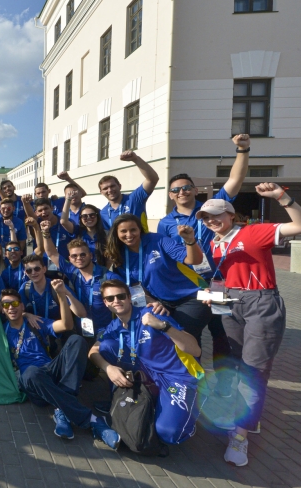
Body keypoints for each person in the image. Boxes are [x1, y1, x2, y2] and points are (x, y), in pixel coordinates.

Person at [197, 185, 301, 467]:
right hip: (229, 303)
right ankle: (247, 418)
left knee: (254, 369)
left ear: (231, 214)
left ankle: (240, 437)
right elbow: (222, 275)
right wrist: (213, 295)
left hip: (261, 302)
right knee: (236, 365)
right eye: (206, 217)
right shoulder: (214, 243)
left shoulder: (253, 231)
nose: (211, 221)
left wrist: (281, 198)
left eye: (216, 215)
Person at [157, 134, 251, 398]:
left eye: (186, 187)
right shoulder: (166, 223)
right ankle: (195, 379)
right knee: (191, 333)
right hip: (192, 288)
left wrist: (242, 150)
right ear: (170, 194)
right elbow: (167, 257)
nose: (181, 192)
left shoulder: (211, 208)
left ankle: (224, 384)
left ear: (195, 190)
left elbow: (235, 180)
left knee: (222, 334)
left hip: (220, 283)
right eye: (176, 189)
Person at [88, 280, 204, 446]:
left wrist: (163, 326)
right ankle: (121, 397)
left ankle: (188, 414)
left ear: (129, 297)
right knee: (106, 347)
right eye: (110, 298)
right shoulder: (113, 326)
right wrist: (109, 369)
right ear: (106, 303)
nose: (116, 301)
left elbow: (195, 350)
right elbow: (93, 352)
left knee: (169, 434)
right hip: (147, 375)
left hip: (176, 377)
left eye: (121, 296)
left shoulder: (153, 313)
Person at [0, 287, 120, 448]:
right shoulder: (1, 331)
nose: (11, 307)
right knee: (30, 373)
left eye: (14, 303)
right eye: (6, 305)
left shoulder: (35, 322)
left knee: (76, 340)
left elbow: (66, 325)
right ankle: (93, 420)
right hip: (32, 381)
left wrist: (62, 297)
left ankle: (62, 408)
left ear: (22, 306)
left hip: (50, 369)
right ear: (1, 309)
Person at [105, 214, 209, 346]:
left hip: (190, 298)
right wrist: (152, 301)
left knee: (180, 338)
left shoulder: (157, 240)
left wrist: (190, 241)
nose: (129, 234)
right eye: (123, 231)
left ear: (140, 229)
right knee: (169, 341)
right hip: (161, 303)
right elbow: (135, 286)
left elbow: (194, 260)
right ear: (116, 233)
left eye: (133, 230)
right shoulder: (120, 254)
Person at [40, 230, 122, 338]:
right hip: (81, 331)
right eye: (74, 256)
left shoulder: (108, 277)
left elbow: (126, 300)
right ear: (70, 259)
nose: (79, 258)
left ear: (91, 255)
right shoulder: (72, 271)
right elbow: (51, 253)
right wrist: (46, 232)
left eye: (83, 254)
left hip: (105, 331)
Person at [99, 151, 159, 231]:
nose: (109, 190)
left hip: (142, 243)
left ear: (119, 186)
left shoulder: (134, 199)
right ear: (101, 192)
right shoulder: (103, 213)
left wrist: (136, 159)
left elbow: (152, 179)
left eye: (112, 186)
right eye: (105, 188)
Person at [19, 254, 86, 322]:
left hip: (59, 330)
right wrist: (26, 315)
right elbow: (16, 311)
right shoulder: (25, 288)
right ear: (26, 273)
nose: (33, 273)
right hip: (36, 331)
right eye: (29, 270)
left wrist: (67, 293)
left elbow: (81, 314)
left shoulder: (56, 285)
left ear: (44, 269)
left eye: (37, 269)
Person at [60, 196, 109, 267]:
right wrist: (68, 200)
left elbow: (110, 258)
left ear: (97, 217)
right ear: (80, 219)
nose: (88, 218)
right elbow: (63, 221)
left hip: (101, 272)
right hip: (82, 272)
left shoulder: (106, 234)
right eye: (84, 216)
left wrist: (104, 273)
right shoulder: (77, 231)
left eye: (92, 215)